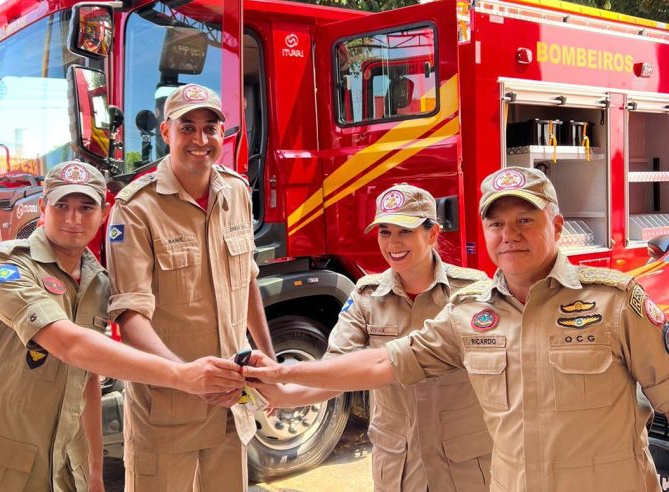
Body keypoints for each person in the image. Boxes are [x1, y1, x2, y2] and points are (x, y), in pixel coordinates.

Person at [245, 166, 669, 492]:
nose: (509, 235)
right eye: (497, 224)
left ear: (556, 227)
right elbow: (380, 362)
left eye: (525, 220)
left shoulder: (614, 302)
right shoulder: (468, 314)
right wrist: (283, 374)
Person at [0, 161, 246, 492]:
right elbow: (69, 344)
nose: (73, 219)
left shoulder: (97, 283)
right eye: (62, 206)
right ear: (43, 207)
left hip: (61, 468)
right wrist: (181, 376)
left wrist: (94, 471)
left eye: (86, 207)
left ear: (103, 212)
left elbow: (88, 380)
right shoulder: (5, 266)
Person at [256, 184, 491, 491]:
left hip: (465, 467)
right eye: (384, 231)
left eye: (405, 231)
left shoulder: (470, 294)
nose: (393, 242)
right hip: (398, 467)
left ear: (432, 234)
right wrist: (284, 394)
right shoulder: (367, 297)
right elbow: (335, 370)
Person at [106, 83, 275, 491]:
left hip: (232, 404)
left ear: (222, 134)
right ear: (166, 133)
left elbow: (246, 278)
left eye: (210, 128)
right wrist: (185, 377)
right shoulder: (135, 207)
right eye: (187, 128)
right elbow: (130, 316)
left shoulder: (236, 190)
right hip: (167, 411)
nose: (200, 140)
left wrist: (271, 361)